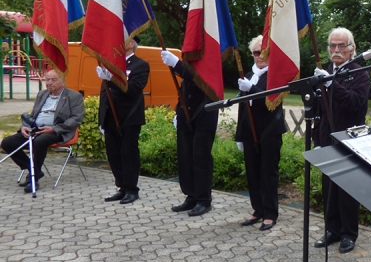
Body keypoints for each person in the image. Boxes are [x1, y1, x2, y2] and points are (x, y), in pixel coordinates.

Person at [311, 27, 370, 253]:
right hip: (327, 139)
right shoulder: (324, 72)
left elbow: (355, 103)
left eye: (342, 46)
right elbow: (319, 111)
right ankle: (332, 230)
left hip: (350, 139)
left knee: (347, 189)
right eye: (333, 46)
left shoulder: (360, 73)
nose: (337, 50)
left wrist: (331, 84)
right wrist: (317, 138)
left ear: (351, 48)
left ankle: (348, 234)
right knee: (328, 188)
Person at [1, 69, 85, 193]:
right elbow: (33, 115)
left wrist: (53, 129)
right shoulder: (42, 94)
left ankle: (33, 179)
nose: (49, 82)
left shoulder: (74, 96)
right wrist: (25, 126)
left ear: (63, 82)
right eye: (47, 79)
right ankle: (35, 171)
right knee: (7, 142)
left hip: (58, 131)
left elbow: (76, 119)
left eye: (53, 80)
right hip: (36, 128)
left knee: (40, 141)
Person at [235, 35, 286, 231]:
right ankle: (258, 209)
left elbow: (271, 102)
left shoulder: (276, 75)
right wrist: (240, 134)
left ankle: (270, 212)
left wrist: (253, 90)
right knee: (252, 173)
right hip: (250, 132)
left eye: (264, 52)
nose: (260, 56)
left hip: (269, 132)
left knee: (268, 173)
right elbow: (241, 108)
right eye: (256, 52)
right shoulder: (247, 75)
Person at [160, 49, 218, 216]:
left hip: (205, 112)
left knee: (201, 157)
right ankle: (191, 196)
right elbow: (184, 89)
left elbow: (200, 78)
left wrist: (177, 65)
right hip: (186, 113)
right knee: (186, 157)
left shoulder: (212, 56)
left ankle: (203, 200)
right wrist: (179, 112)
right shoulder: (192, 60)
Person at [97, 37, 150, 204]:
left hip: (129, 117)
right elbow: (105, 94)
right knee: (114, 155)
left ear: (132, 43)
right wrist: (102, 118)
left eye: (125, 38)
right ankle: (121, 187)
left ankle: (131, 189)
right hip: (110, 117)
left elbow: (133, 89)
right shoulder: (110, 63)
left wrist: (111, 77)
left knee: (128, 154)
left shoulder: (140, 65)